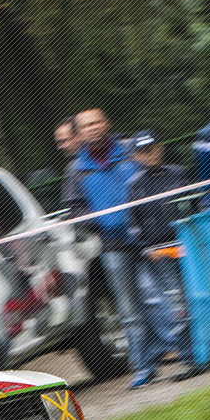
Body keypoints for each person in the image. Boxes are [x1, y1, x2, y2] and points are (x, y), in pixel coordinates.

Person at [66, 108, 170, 388]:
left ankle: (179, 349)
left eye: (97, 122)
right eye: (86, 125)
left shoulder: (128, 149)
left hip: (147, 239)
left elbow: (152, 178)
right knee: (128, 309)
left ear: (107, 123)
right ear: (79, 133)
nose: (93, 128)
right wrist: (100, 223)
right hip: (112, 247)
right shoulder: (76, 169)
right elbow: (75, 208)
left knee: (158, 296)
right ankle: (143, 367)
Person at [126, 131, 197, 380]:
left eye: (153, 148)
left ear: (162, 147)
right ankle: (189, 357)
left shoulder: (179, 173)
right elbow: (133, 225)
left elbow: (195, 206)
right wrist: (147, 249)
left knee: (199, 297)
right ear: (136, 156)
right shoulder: (134, 185)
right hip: (161, 254)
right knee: (177, 305)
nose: (151, 155)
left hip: (187, 246)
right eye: (144, 152)